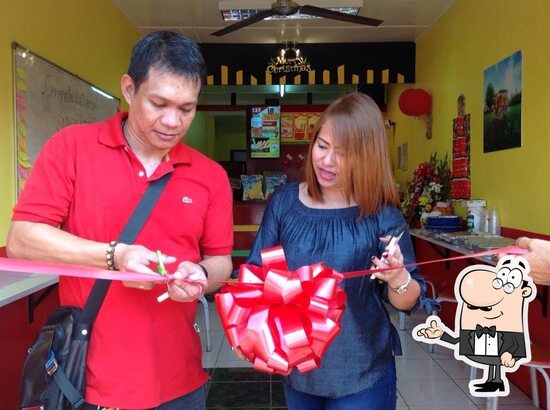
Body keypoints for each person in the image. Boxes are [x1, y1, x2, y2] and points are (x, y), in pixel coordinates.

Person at [7, 31, 233, 409]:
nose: (173, 121)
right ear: (129, 89)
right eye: (159, 103)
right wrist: (116, 256)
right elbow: (22, 240)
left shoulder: (209, 175)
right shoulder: (72, 148)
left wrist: (200, 275)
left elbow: (221, 259)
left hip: (182, 379)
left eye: (187, 108)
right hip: (91, 381)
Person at [244, 92, 433, 410]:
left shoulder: (382, 214)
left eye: (343, 153)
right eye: (322, 145)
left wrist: (398, 277)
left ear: (367, 157)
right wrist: (250, 328)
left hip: (362, 370)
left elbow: (406, 301)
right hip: (299, 366)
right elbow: (260, 273)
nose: (327, 161)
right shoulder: (285, 203)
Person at [415, 256, 535, 396]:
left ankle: (495, 381)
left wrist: (511, 355)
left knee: (495, 359)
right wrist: (441, 335)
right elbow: (459, 342)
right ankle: (493, 381)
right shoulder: (475, 330)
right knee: (492, 359)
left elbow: (516, 345)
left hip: (500, 348)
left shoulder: (510, 330)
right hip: (484, 347)